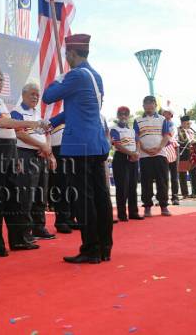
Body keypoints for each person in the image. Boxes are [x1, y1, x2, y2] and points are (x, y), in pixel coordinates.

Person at [43, 34, 113, 264]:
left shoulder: (75, 75)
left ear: (73, 54)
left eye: (66, 55)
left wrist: (62, 75)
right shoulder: (96, 76)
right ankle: (104, 247)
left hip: (79, 145)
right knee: (101, 197)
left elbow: (48, 96)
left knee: (84, 199)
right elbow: (79, 109)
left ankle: (90, 249)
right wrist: (51, 123)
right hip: (96, 143)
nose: (66, 59)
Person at [0, 67, 44, 257]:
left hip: (8, 150)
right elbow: (2, 124)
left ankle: (18, 240)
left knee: (14, 199)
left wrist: (14, 157)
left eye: (1, 79)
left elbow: (10, 132)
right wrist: (32, 124)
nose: (0, 82)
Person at [11, 83, 56, 242]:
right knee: (26, 194)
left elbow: (48, 133)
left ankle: (39, 227)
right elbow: (20, 134)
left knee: (41, 193)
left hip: (42, 155)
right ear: (23, 95)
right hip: (25, 154)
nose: (35, 97)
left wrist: (48, 149)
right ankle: (26, 230)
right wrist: (40, 145)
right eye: (32, 94)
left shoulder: (38, 114)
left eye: (37, 95)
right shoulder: (17, 112)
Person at [134, 96, 171, 218]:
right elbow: (136, 138)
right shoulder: (137, 120)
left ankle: (164, 205)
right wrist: (144, 149)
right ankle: (147, 207)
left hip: (160, 154)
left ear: (155, 105)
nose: (149, 106)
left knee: (163, 181)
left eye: (151, 104)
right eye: (146, 104)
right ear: (143, 106)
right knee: (146, 182)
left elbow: (166, 136)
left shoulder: (162, 119)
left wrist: (159, 148)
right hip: (144, 156)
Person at [110, 106, 143, 222]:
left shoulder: (132, 130)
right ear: (118, 116)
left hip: (133, 159)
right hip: (121, 159)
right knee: (122, 187)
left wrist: (137, 153)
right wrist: (131, 153)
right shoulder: (114, 129)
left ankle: (133, 212)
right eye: (121, 114)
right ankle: (122, 214)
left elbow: (138, 142)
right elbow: (117, 145)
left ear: (128, 116)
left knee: (132, 186)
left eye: (125, 114)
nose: (123, 116)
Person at [177, 116, 196, 197]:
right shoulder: (178, 130)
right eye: (187, 123)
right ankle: (185, 193)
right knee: (182, 174)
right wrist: (188, 142)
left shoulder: (191, 131)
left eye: (189, 123)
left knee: (194, 173)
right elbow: (178, 141)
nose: (189, 124)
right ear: (183, 123)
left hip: (192, 154)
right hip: (183, 154)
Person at [162, 107, 180, 205]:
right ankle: (163, 198)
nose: (165, 114)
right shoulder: (161, 124)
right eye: (164, 113)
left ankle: (175, 197)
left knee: (174, 176)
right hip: (163, 149)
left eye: (167, 113)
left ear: (171, 115)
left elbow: (169, 136)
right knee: (163, 176)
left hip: (172, 148)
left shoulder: (172, 124)